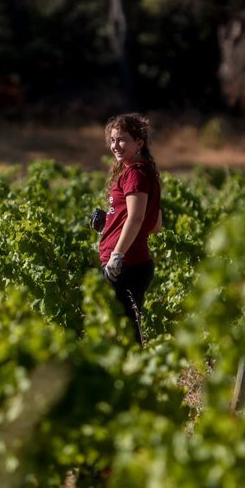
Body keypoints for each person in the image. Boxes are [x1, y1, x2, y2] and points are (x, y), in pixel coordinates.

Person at [94, 113, 162, 346]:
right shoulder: (142, 171)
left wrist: (117, 255)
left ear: (139, 142)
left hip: (126, 266)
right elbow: (155, 224)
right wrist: (108, 223)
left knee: (124, 337)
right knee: (124, 332)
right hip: (132, 264)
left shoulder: (135, 173)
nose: (115, 146)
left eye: (122, 140)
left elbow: (136, 217)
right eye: (112, 140)